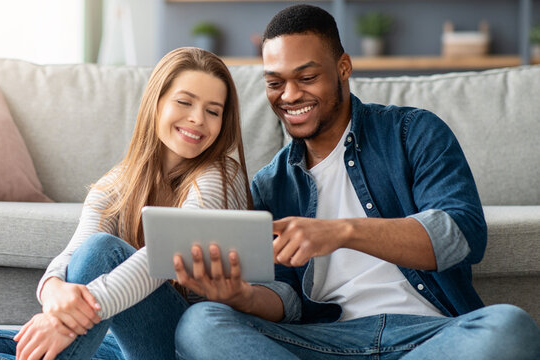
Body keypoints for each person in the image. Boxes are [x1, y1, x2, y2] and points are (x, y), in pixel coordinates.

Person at [173, 4, 540, 359]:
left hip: (428, 336)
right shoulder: (270, 185)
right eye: (274, 82)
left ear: (343, 67)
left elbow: (461, 233)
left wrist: (340, 232)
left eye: (306, 77)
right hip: (326, 342)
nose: (289, 95)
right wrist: (240, 296)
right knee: (201, 324)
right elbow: (283, 297)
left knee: (510, 326)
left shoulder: (412, 132)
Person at [0, 47, 255, 360]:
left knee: (104, 250)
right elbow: (76, 251)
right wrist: (52, 290)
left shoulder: (221, 176)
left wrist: (68, 316)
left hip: (186, 344)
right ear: (155, 104)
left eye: (213, 111)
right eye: (184, 102)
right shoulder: (118, 182)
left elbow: (164, 257)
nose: (198, 119)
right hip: (124, 341)